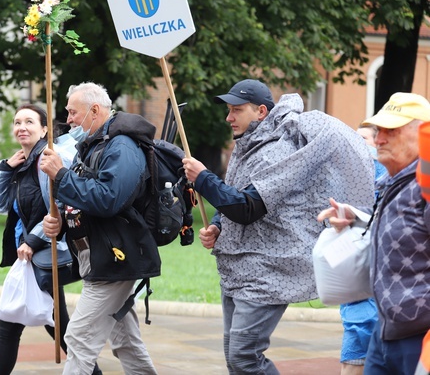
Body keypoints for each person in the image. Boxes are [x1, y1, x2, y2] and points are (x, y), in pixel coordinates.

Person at [181, 79, 374, 374]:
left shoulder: (278, 149)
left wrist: (204, 177)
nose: (228, 118)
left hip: (269, 268)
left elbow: (248, 208)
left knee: (245, 356)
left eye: (236, 110)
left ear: (260, 111)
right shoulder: (248, 144)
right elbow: (236, 192)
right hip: (240, 265)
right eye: (228, 111)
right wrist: (218, 225)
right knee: (236, 357)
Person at [40, 82, 161, 374]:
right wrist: (59, 222)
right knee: (125, 342)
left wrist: (61, 175)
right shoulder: (96, 144)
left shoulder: (122, 147)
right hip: (100, 255)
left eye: (72, 112)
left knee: (78, 339)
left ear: (95, 110)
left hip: (116, 256)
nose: (67, 119)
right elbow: (86, 199)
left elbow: (109, 199)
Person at [318, 92, 430, 374]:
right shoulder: (394, 182)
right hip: (386, 328)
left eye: (390, 131)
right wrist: (357, 218)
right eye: (379, 131)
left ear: (423, 133)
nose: (379, 139)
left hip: (421, 334)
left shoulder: (424, 183)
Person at [0, 104, 99, 375]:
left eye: (29, 122)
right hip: (28, 257)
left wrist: (33, 241)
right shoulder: (21, 165)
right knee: (58, 330)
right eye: (17, 122)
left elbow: (58, 205)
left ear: (45, 129)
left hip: (47, 253)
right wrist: (4, 169)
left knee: (21, 329)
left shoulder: (48, 159)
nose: (21, 127)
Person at [337, 125, 386, 375]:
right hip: (355, 270)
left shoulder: (386, 173)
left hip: (373, 273)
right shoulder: (346, 171)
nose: (357, 142)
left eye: (363, 138)